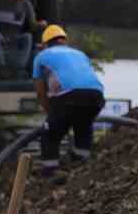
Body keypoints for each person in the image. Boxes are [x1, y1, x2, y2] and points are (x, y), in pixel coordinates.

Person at [30, 24, 105, 175]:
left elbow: (40, 92)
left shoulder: (41, 56)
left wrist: (50, 114)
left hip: (69, 96)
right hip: (96, 96)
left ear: (45, 43)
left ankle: (50, 172)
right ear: (64, 40)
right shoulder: (79, 53)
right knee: (83, 127)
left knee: (50, 134)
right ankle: (80, 166)